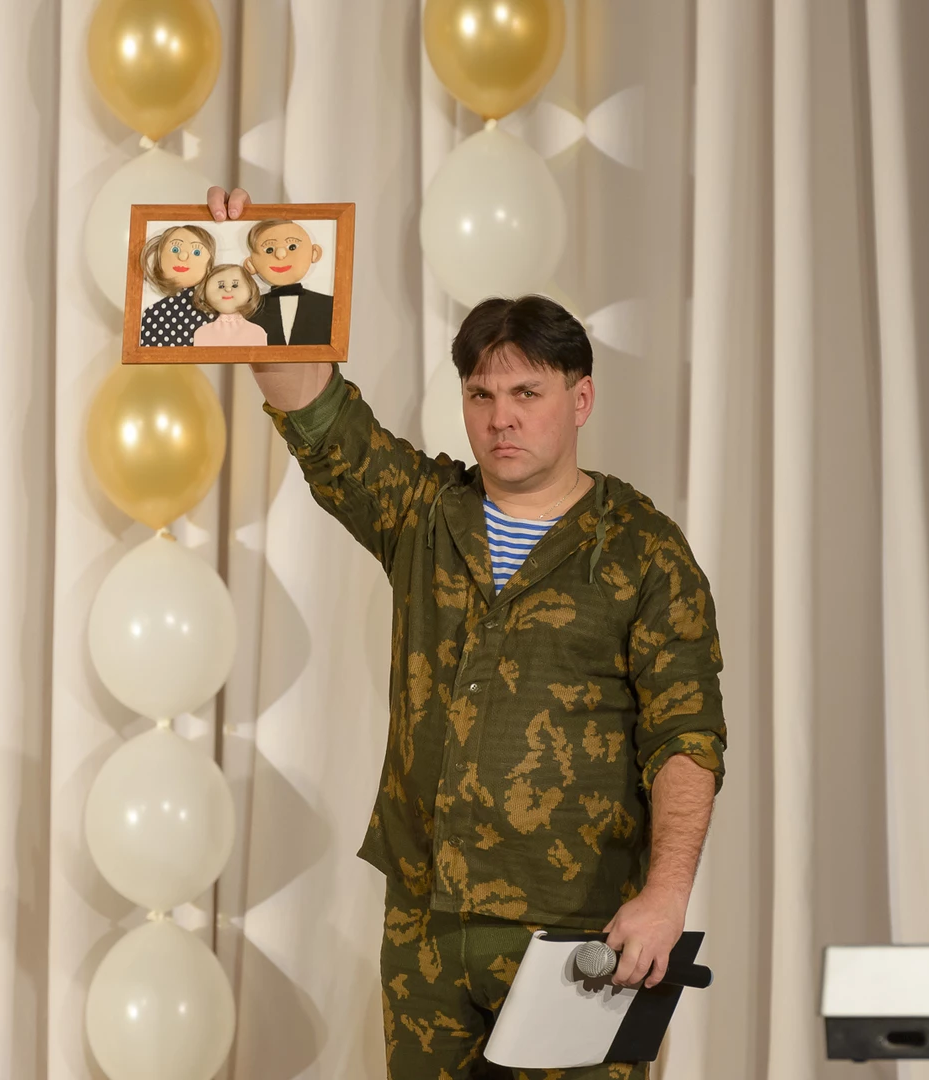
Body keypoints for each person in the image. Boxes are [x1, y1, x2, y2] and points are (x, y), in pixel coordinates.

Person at [209, 187, 727, 1080]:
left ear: (580, 399)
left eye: (527, 392)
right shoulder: (422, 513)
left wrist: (665, 895)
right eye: (481, 394)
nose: (501, 417)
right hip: (426, 925)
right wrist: (245, 265)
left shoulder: (642, 550)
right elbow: (317, 415)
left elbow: (687, 734)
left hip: (577, 929)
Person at [243, 218, 335, 345]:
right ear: (250, 264)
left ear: (314, 253)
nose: (280, 254)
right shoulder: (249, 311)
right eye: (269, 250)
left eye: (292, 247)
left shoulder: (330, 306)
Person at [139, 224, 218, 346]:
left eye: (196, 252)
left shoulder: (215, 316)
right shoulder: (153, 314)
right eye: (175, 249)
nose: (182, 256)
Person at [192, 263, 270, 347]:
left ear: (251, 289)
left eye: (235, 285)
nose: (228, 289)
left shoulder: (256, 332)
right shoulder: (203, 333)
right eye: (221, 286)